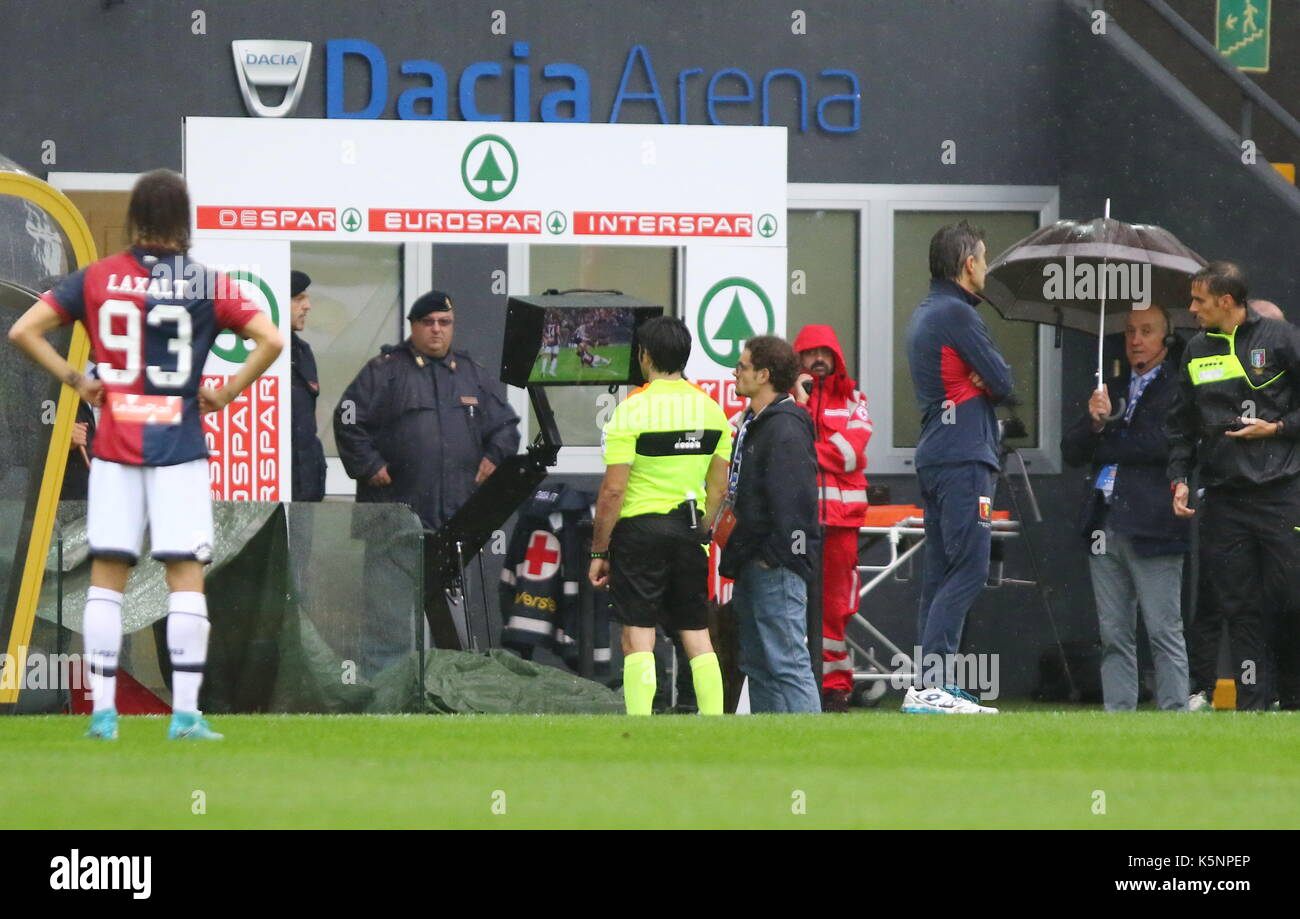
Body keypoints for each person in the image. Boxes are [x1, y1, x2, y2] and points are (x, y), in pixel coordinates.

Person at [7, 168, 283, 740]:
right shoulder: (208, 283)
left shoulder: (99, 277)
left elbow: (24, 331)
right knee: (185, 575)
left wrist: (76, 380)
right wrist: (227, 391)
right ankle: (185, 714)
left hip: (114, 447)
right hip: (178, 446)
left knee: (108, 575)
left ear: (136, 218)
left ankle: (103, 714)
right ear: (184, 220)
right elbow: (272, 340)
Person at [1168, 262, 1300, 711]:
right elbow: (1182, 424)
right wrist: (1180, 478)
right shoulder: (1195, 350)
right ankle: (1253, 705)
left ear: (1226, 302)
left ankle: (1292, 696)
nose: (1191, 309)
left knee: (1288, 599)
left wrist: (1278, 428)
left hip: (1281, 495)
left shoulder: (1282, 339)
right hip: (1224, 498)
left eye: (1199, 301)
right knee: (1239, 606)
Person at [588, 316, 729, 716]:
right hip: (688, 529)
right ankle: (717, 724)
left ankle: (640, 726)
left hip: (639, 532)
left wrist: (599, 551)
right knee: (697, 633)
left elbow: (613, 491)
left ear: (644, 356)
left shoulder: (630, 412)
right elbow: (719, 489)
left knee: (638, 636)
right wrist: (701, 531)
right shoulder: (712, 410)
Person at [903, 220, 1013, 714]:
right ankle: (932, 686)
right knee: (969, 568)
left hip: (937, 454)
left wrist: (981, 378)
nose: (986, 268)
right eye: (985, 259)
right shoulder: (958, 316)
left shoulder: (927, 312)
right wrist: (986, 379)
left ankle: (930, 687)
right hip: (964, 456)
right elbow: (1005, 382)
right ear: (969, 264)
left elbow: (988, 379)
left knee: (940, 574)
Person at [1061, 304, 1190, 711]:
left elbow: (1158, 445)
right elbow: (1071, 451)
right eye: (1131, 331)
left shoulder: (1178, 385)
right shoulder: (1110, 387)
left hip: (1153, 522)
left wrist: (1108, 435)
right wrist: (1095, 422)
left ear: (1166, 339)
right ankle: (1120, 718)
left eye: (1147, 331)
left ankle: (1174, 716)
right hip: (1105, 519)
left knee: (1162, 629)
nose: (1136, 340)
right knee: (1114, 634)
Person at [333, 289, 520, 531]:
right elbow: (347, 418)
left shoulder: (471, 373)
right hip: (395, 516)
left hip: (459, 514)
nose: (436, 329)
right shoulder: (384, 370)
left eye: (444, 322)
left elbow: (505, 426)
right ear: (413, 325)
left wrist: (495, 456)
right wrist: (369, 465)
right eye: (428, 322)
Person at [719, 335, 822, 713]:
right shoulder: (761, 424)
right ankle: (771, 747)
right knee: (759, 664)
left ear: (763, 375)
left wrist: (779, 556)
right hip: (755, 559)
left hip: (774, 564)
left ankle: (815, 751)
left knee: (787, 662)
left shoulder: (784, 428)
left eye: (743, 366)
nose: (736, 371)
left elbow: (796, 501)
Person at [791, 324, 871, 712]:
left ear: (837, 357)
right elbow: (779, 445)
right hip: (798, 523)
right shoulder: (789, 401)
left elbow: (851, 454)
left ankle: (836, 686)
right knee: (792, 603)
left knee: (835, 606)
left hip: (840, 523)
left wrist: (808, 447)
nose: (818, 359)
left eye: (826, 352)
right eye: (810, 353)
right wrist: (804, 405)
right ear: (798, 359)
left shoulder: (855, 399)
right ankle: (801, 684)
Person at [288, 270, 327, 502]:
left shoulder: (303, 353)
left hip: (305, 489)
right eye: (298, 299)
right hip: (270, 488)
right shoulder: (253, 350)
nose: (308, 306)